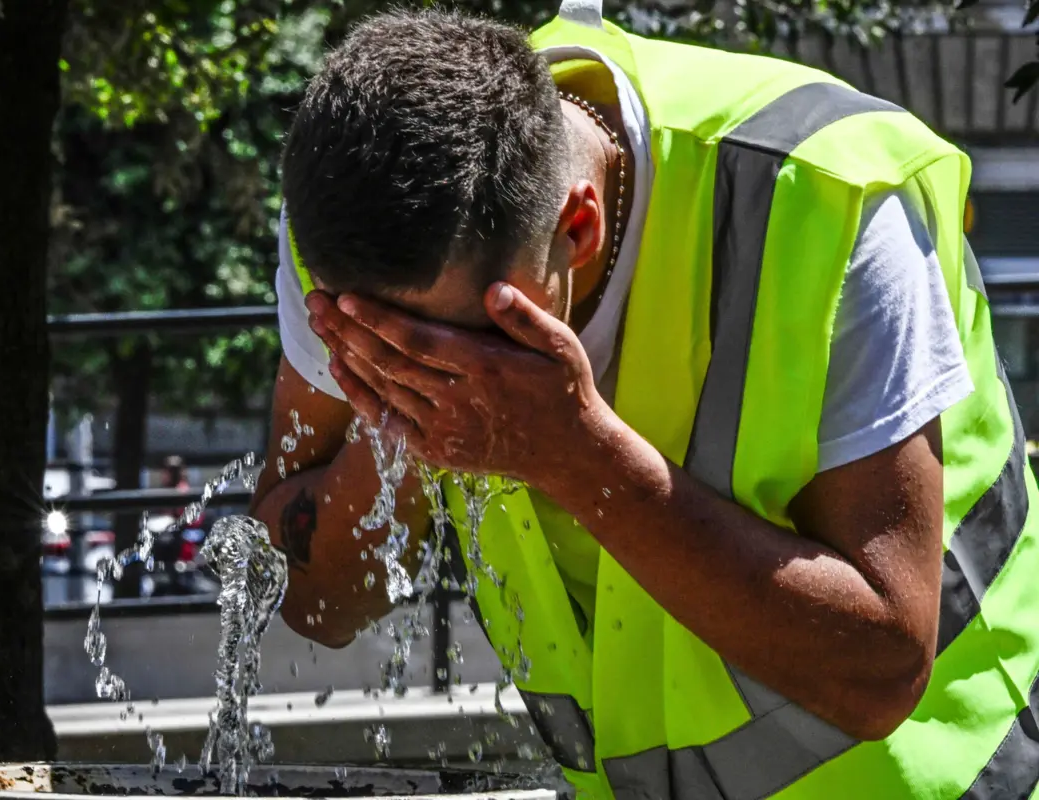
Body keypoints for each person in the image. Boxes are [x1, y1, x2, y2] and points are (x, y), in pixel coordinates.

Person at [250, 2, 1039, 797]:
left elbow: (884, 672)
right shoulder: (351, 226)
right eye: (380, 346)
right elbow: (318, 605)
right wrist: (405, 419)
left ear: (581, 228)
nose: (419, 368)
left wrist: (578, 455)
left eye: (459, 347)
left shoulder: (825, 198)